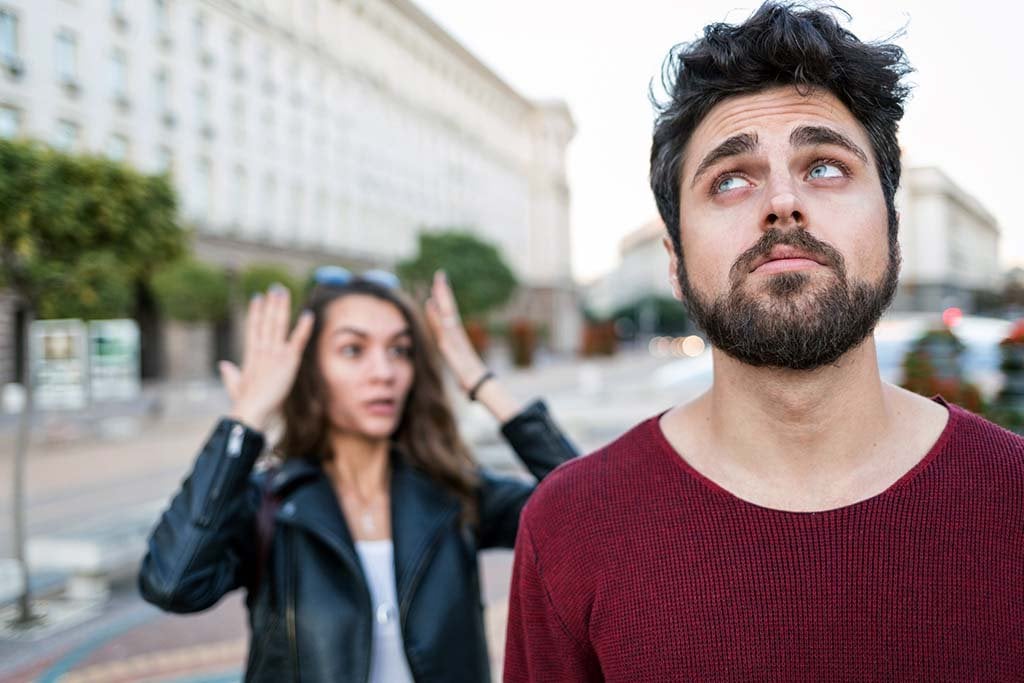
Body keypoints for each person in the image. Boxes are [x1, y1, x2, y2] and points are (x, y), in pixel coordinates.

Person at [503, 3, 1024, 681]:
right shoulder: (568, 528)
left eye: (826, 166)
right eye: (731, 178)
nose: (781, 200)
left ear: (892, 228)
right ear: (674, 257)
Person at [139, 268, 577, 682]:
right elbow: (172, 584)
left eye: (400, 350)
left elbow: (589, 514)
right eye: (353, 349)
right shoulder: (270, 504)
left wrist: (478, 379)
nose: (383, 373)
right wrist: (247, 417)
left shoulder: (455, 492)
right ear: (309, 371)